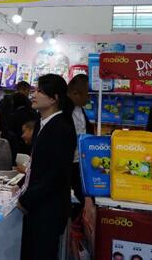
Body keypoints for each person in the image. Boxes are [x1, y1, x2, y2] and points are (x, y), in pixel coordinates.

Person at [18, 74, 77, 260]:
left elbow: (55, 174)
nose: (34, 94)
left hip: (49, 209)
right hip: (37, 205)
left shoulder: (62, 128)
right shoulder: (41, 124)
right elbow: (36, 165)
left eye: (40, 91)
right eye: (35, 90)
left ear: (54, 98)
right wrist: (20, 187)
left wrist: (26, 199)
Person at [67, 74, 93, 219]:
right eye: (87, 95)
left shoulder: (79, 109)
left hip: (80, 161)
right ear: (75, 94)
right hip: (69, 163)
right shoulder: (64, 112)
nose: (89, 99)